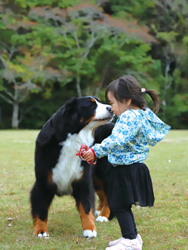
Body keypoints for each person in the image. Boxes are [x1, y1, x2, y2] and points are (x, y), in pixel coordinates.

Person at [82, 75, 171, 250]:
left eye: (112, 103)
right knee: (121, 204)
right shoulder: (140, 114)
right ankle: (133, 237)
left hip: (126, 169)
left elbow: (117, 140)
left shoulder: (129, 117)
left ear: (127, 101)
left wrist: (95, 151)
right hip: (133, 168)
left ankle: (130, 240)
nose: (111, 107)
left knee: (118, 204)